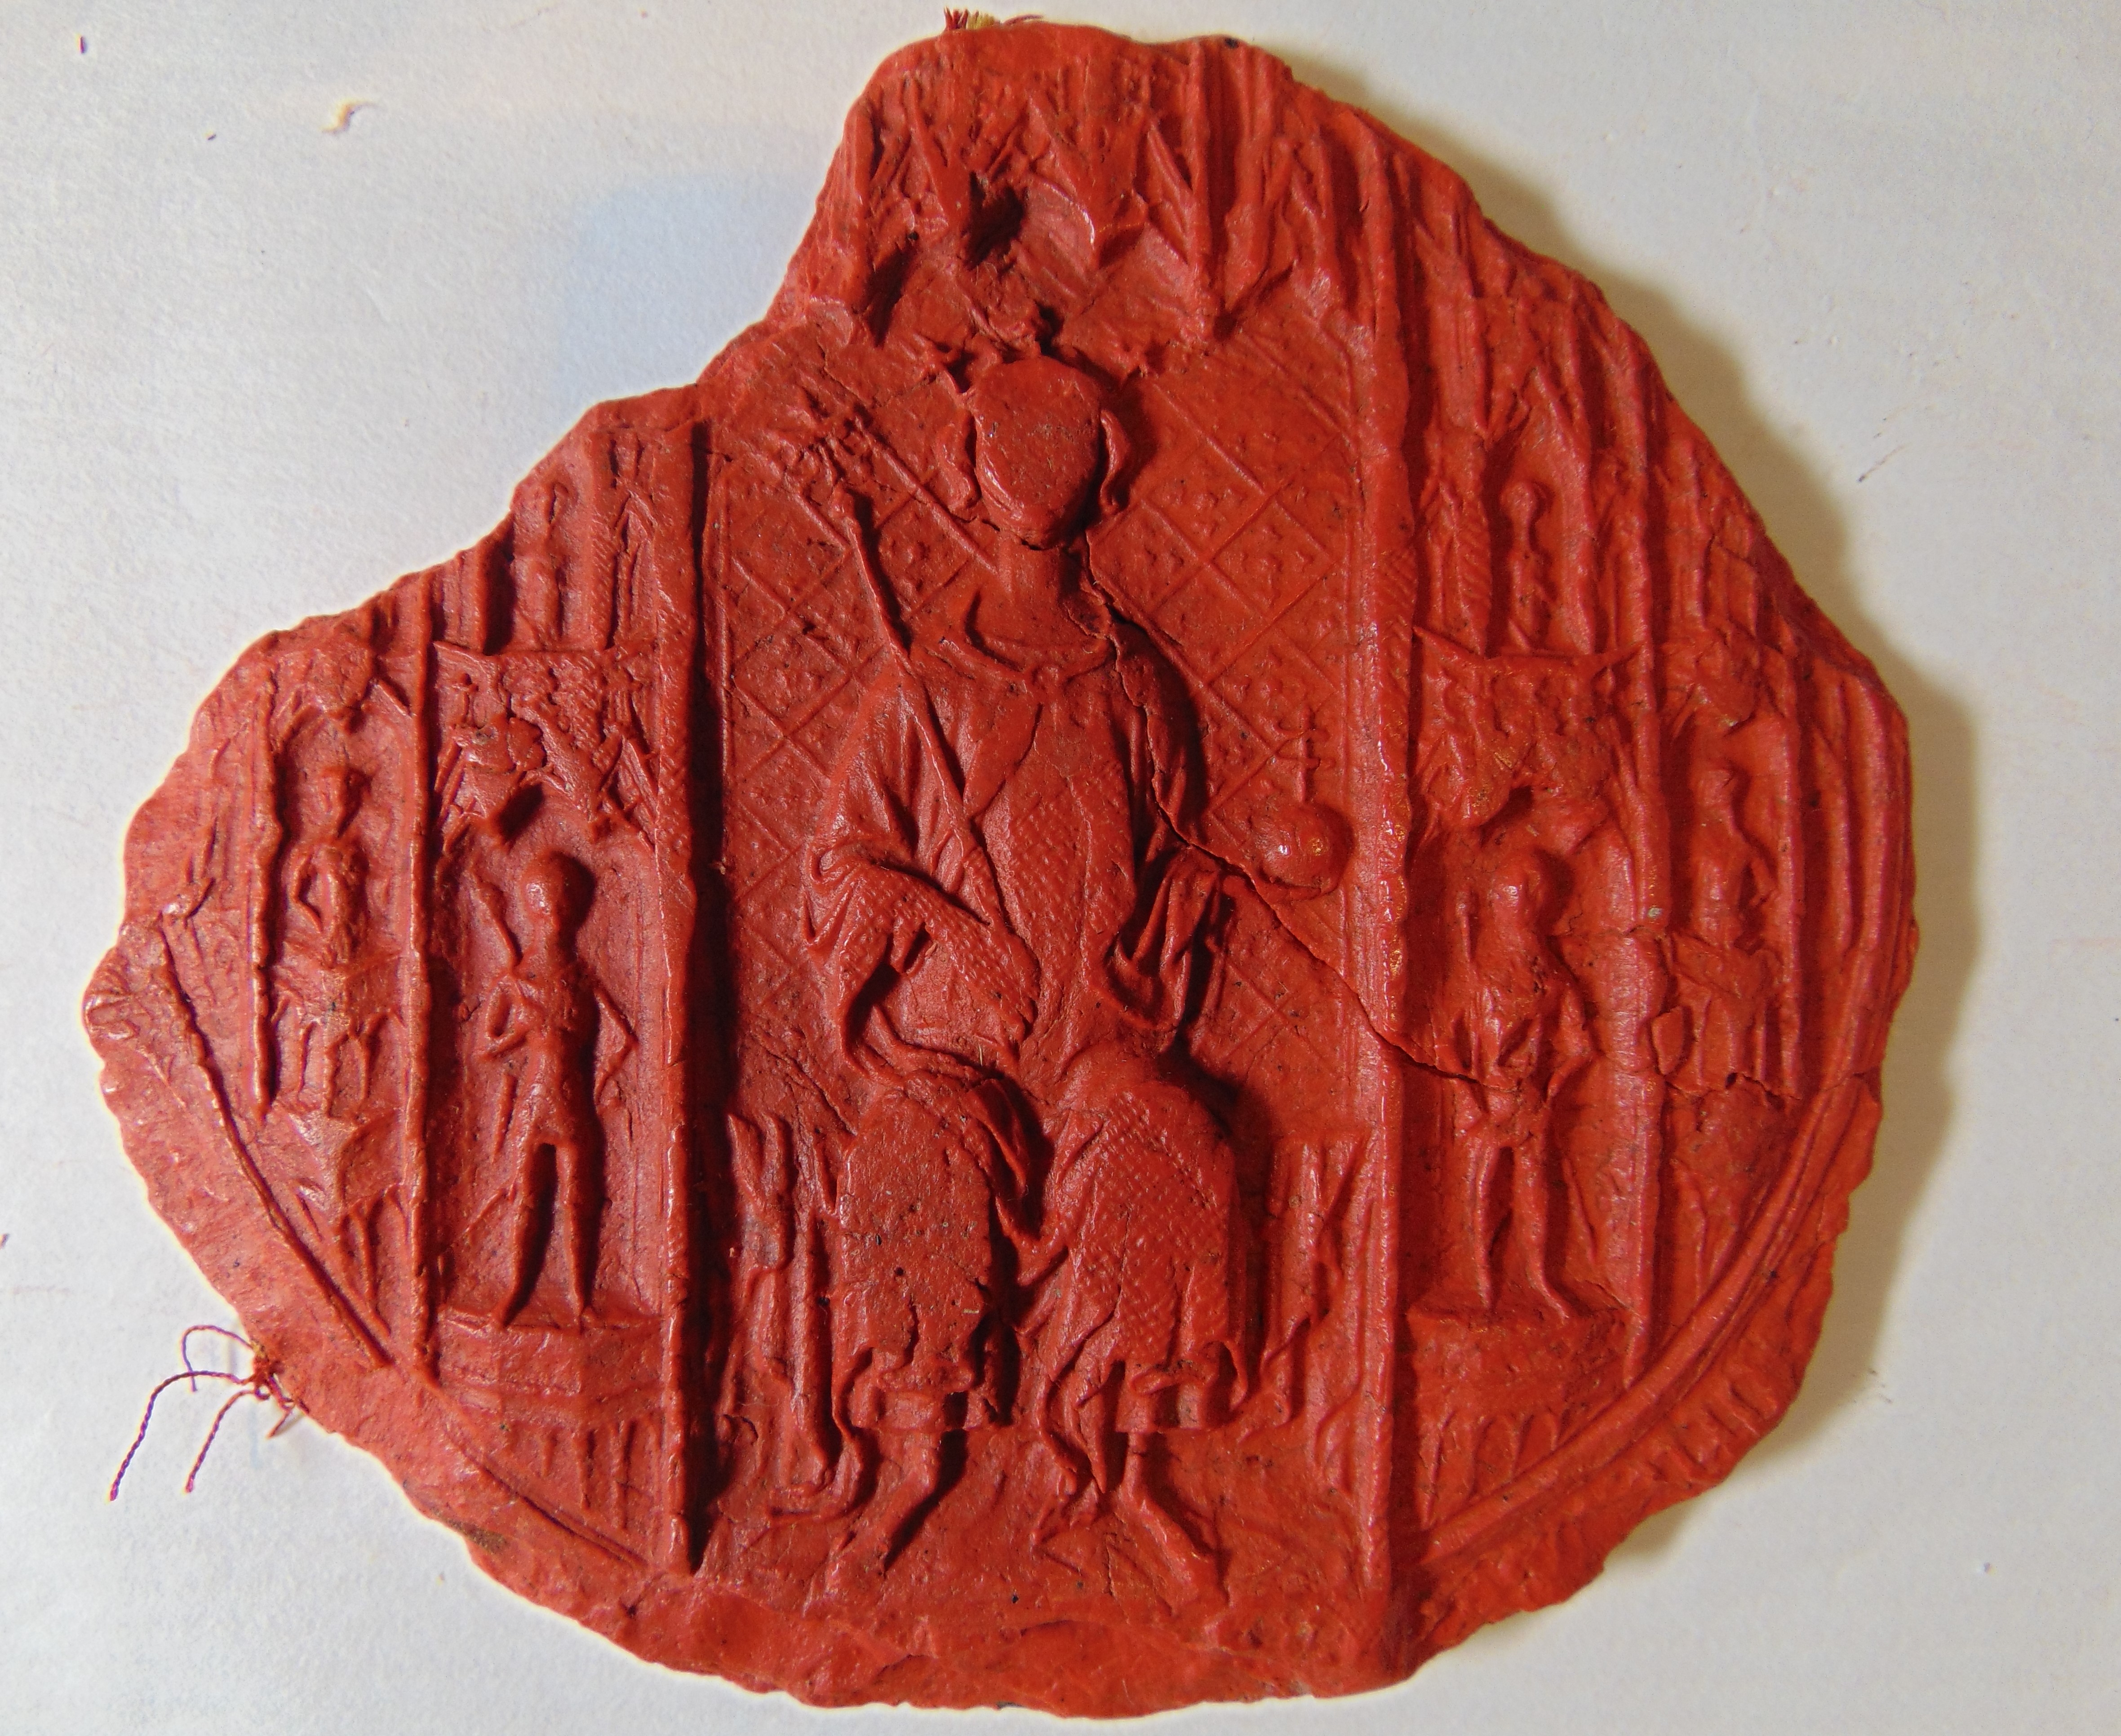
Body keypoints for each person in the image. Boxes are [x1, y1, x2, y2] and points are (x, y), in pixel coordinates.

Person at [803, 357, 1242, 1595]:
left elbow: (1175, 849)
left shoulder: (1136, 685)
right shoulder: (924, 687)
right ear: (971, 474)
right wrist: (952, 927)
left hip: (1096, 1027)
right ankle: (915, 1465)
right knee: (916, 1152)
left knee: (1168, 1137)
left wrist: (1191, 899)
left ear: (1104, 475)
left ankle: (1133, 1473)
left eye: (1065, 449)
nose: (1039, 474)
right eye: (1014, 448)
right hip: (963, 1038)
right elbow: (847, 867)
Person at [480, 850, 633, 1325]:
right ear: (534, 908)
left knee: (576, 1201)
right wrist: (522, 1030)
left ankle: (580, 1296)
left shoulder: (580, 977)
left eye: (563, 904)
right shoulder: (516, 980)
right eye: (547, 904)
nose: (555, 914)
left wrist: (605, 1082)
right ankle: (516, 1290)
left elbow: (623, 1038)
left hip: (572, 1100)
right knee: (527, 1197)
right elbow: (487, 1046)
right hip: (537, 1097)